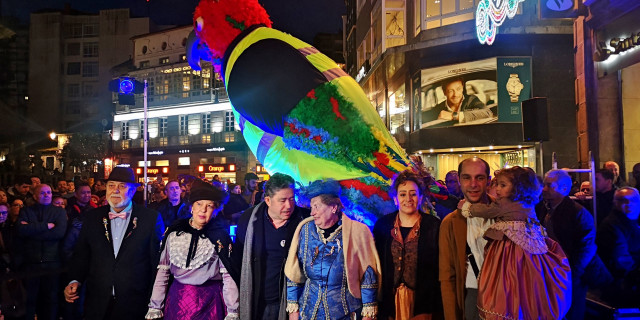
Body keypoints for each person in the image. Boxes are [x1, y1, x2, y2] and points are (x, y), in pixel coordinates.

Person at [460, 167, 571, 319]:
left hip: (510, 248)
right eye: (497, 184)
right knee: (528, 280)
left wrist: (466, 207)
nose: (497, 189)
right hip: (533, 246)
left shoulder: (505, 203)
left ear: (518, 187)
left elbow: (486, 211)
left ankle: (509, 309)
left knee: (506, 279)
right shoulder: (528, 201)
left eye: (503, 185)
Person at [64, 167, 165, 320]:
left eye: (122, 186)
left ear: (132, 191)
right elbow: (82, 255)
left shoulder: (150, 219)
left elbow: (155, 262)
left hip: (135, 303)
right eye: (111, 185)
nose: (115, 190)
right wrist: (74, 280)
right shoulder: (92, 218)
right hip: (97, 303)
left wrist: (155, 302)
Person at [285, 179, 380, 319]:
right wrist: (293, 309)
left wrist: (368, 313)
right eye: (311, 207)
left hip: (344, 313)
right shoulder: (305, 230)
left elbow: (368, 274)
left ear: (333, 208)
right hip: (308, 312)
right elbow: (294, 272)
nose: (312, 213)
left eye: (316, 207)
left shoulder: (357, 231)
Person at [145, 181, 239, 320]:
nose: (203, 210)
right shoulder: (174, 234)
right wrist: (155, 305)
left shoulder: (220, 237)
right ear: (191, 208)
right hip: (178, 301)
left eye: (209, 206)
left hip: (210, 303)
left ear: (215, 211)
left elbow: (228, 277)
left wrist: (232, 310)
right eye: (199, 204)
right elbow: (163, 272)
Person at [232, 173, 309, 320]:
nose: (289, 205)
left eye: (292, 199)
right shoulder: (249, 219)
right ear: (268, 200)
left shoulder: (304, 220)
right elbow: (238, 259)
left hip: (292, 301)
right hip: (256, 299)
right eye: (282, 200)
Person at [373, 170, 442, 319]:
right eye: (403, 194)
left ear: (421, 197)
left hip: (424, 303)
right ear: (395, 199)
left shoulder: (434, 226)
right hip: (389, 303)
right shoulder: (382, 225)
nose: (408, 199)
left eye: (413, 194)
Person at [439, 158, 494, 320]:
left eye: (480, 177)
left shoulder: (505, 215)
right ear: (460, 181)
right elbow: (447, 277)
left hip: (505, 297)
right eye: (466, 177)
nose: (473, 184)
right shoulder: (450, 223)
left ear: (488, 181)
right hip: (472, 297)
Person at [539, 169, 597, 320]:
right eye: (544, 185)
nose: (544, 189)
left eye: (549, 185)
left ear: (564, 188)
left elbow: (587, 247)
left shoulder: (577, 213)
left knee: (571, 312)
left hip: (569, 273)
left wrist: (573, 272)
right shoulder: (545, 208)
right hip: (555, 271)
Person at [18, 184, 67, 320]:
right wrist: (46, 226)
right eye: (42, 193)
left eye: (49, 192)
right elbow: (21, 231)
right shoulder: (26, 211)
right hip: (31, 262)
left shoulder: (59, 212)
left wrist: (32, 230)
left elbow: (59, 233)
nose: (46, 195)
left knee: (51, 298)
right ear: (34, 196)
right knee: (30, 298)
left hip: (52, 262)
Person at [597, 187, 640, 308]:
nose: (629, 204)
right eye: (623, 200)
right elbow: (621, 260)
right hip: (622, 284)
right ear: (615, 202)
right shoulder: (611, 225)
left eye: (633, 200)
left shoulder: (632, 221)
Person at [422, 77, 492, 124]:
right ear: (444, 92)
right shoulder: (438, 109)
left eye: (458, 89)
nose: (455, 94)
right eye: (451, 91)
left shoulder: (471, 99)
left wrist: (453, 116)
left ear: (462, 88)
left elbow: (488, 113)